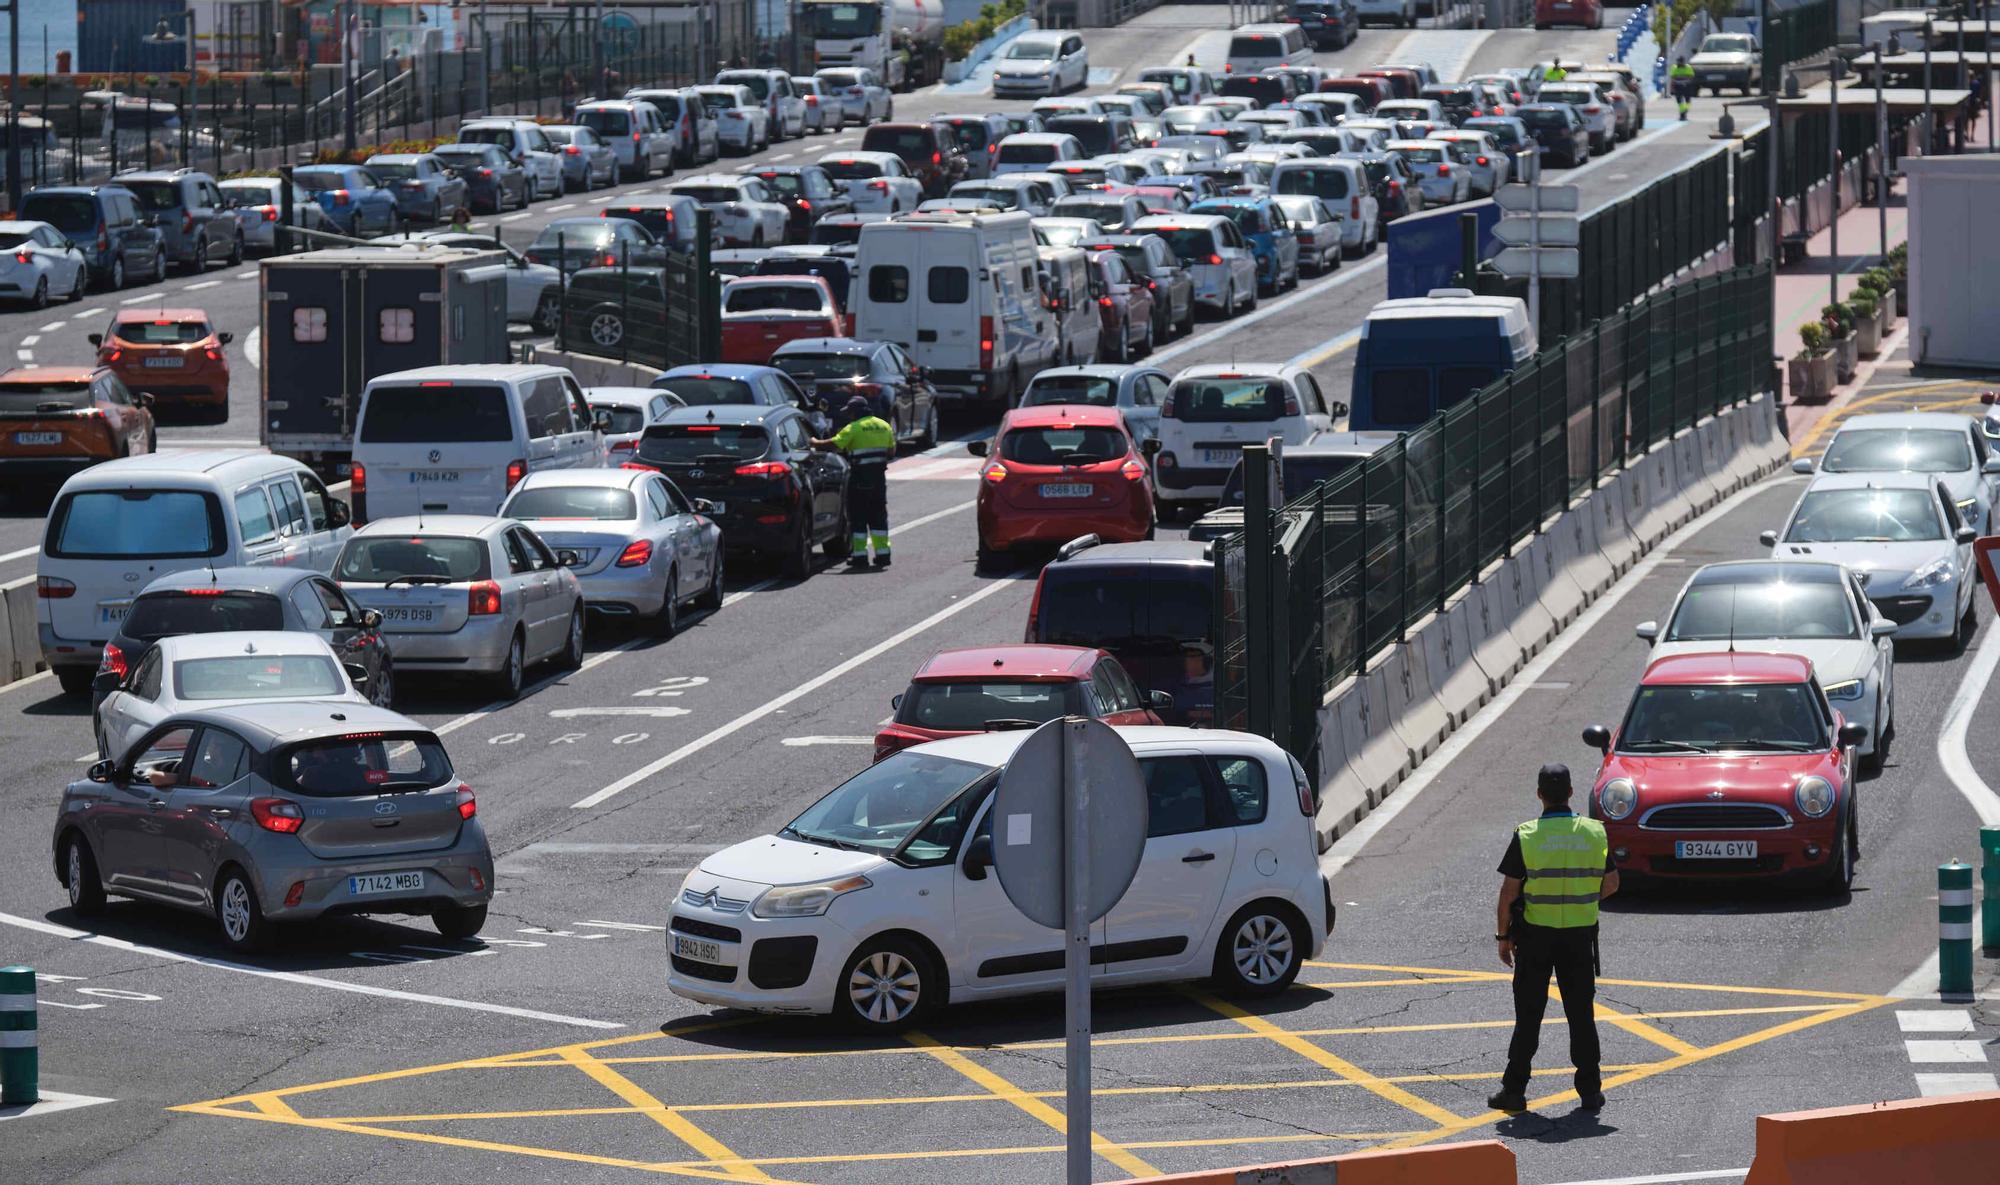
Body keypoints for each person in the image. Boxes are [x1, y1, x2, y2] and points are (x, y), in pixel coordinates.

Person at [1488, 763, 1618, 1114]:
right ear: (1571, 793)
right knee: (1581, 1015)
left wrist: (1503, 936)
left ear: (1539, 794)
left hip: (1535, 938)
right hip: (1578, 938)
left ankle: (1514, 1091)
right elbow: (1611, 883)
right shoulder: (1594, 832)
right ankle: (1590, 1092)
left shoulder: (1528, 835)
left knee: (1528, 1016)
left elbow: (1509, 893)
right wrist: (1581, 899)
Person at [813, 395, 895, 567]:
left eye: (850, 412)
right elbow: (891, 452)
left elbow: (833, 445)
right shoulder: (884, 425)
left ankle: (860, 556)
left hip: (859, 479)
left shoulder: (853, 428)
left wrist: (814, 442)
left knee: (858, 517)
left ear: (856, 412)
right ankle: (883, 555)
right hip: (879, 481)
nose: (848, 416)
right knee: (878, 516)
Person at [1670, 56, 1696, 121]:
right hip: (1678, 86)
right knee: (1679, 101)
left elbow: (1691, 77)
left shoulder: (1688, 67)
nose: (1679, 63)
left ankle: (1685, 111)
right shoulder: (1674, 67)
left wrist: (1684, 80)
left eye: (1680, 62)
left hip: (1687, 86)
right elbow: (1672, 78)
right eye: (1678, 61)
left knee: (1688, 101)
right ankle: (1682, 114)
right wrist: (1672, 88)